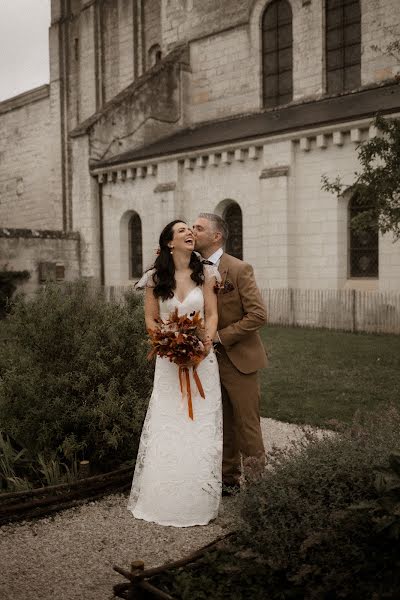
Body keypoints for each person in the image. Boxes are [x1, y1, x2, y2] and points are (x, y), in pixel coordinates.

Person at [127, 219, 223, 527]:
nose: (189, 233)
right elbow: (151, 319)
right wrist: (167, 345)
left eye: (190, 230)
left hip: (202, 361)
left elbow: (211, 313)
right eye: (182, 230)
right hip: (168, 363)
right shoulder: (155, 278)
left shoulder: (206, 273)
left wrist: (203, 346)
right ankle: (163, 497)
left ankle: (198, 499)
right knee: (170, 422)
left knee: (200, 423)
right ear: (169, 242)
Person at [193, 213, 268, 494]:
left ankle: (259, 486)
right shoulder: (191, 269)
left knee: (247, 425)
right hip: (205, 361)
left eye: (199, 228)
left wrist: (222, 337)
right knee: (222, 422)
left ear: (217, 236)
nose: (193, 231)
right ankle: (229, 481)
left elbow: (258, 314)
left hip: (239, 360)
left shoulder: (238, 269)